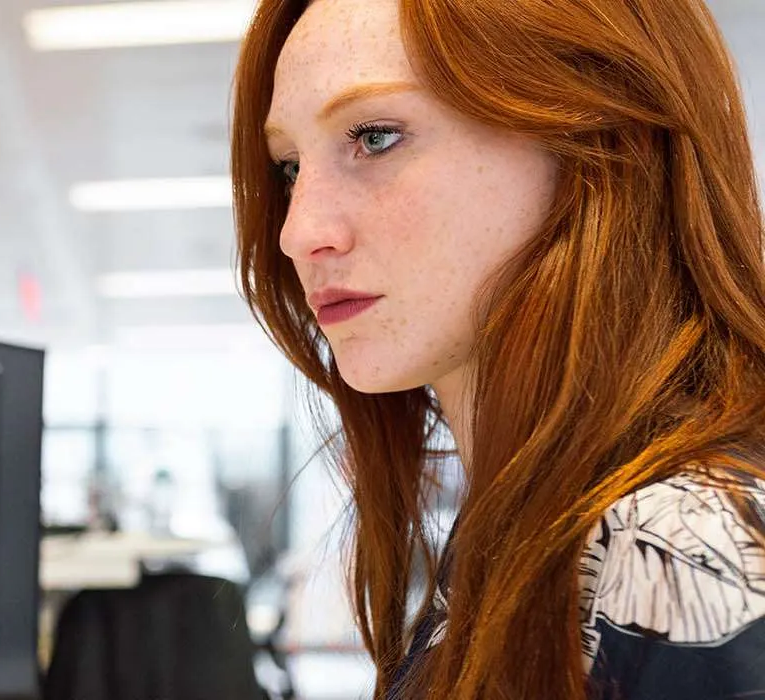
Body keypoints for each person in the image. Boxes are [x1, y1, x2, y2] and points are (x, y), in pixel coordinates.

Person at [231, 0, 765, 697]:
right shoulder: (527, 518)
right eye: (290, 168)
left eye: (375, 136)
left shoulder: (684, 541)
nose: (299, 233)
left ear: (597, 133)